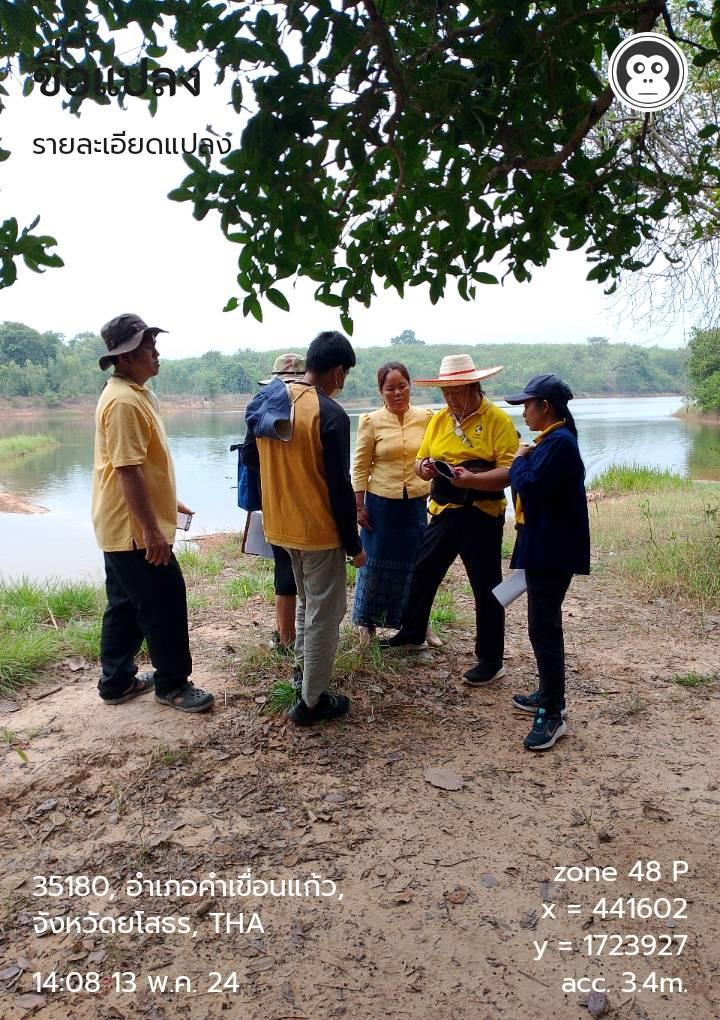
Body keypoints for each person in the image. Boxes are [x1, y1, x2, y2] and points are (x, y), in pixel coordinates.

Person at [241, 330, 366, 726]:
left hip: (280, 528)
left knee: (308, 606)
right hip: (317, 533)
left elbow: (250, 458)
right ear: (338, 371)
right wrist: (354, 543)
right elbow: (338, 485)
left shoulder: (267, 402)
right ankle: (312, 702)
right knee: (325, 614)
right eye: (344, 374)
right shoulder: (328, 413)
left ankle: (302, 675)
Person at [92, 313, 214, 712]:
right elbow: (126, 471)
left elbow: (138, 465)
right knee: (164, 601)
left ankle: (116, 681)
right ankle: (173, 685)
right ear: (125, 358)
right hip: (133, 530)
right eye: (148, 347)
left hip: (119, 524)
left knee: (126, 604)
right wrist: (151, 531)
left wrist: (168, 503)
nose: (156, 353)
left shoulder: (133, 392)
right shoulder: (124, 401)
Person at [380, 354, 518, 688]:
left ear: (473, 386)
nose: (450, 398)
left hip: (482, 515)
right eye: (445, 392)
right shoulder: (440, 420)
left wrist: (470, 478)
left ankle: (490, 659)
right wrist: (424, 468)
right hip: (443, 511)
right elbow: (419, 461)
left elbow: (511, 471)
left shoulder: (497, 420)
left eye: (456, 391)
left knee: (486, 588)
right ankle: (413, 633)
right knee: (423, 572)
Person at [504, 374, 590, 751]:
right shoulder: (553, 441)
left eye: (527, 405)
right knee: (541, 625)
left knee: (545, 628)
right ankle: (546, 693)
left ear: (546, 408)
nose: (524, 412)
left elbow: (530, 487)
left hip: (552, 552)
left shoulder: (558, 443)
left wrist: (517, 461)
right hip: (544, 547)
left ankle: (553, 711)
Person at [351, 362, 436, 642]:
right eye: (390, 388)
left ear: (410, 387)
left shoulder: (427, 418)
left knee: (416, 566)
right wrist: (359, 506)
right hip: (380, 505)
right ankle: (366, 625)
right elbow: (361, 466)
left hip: (415, 504)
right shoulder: (371, 421)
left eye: (402, 386)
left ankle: (418, 625)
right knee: (374, 565)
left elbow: (437, 457)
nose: (397, 393)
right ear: (381, 392)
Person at [258, 353, 307, 655]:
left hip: (276, 504)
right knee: (294, 571)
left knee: (288, 569)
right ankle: (291, 638)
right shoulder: (316, 410)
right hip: (297, 506)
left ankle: (289, 638)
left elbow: (251, 459)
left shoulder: (261, 410)